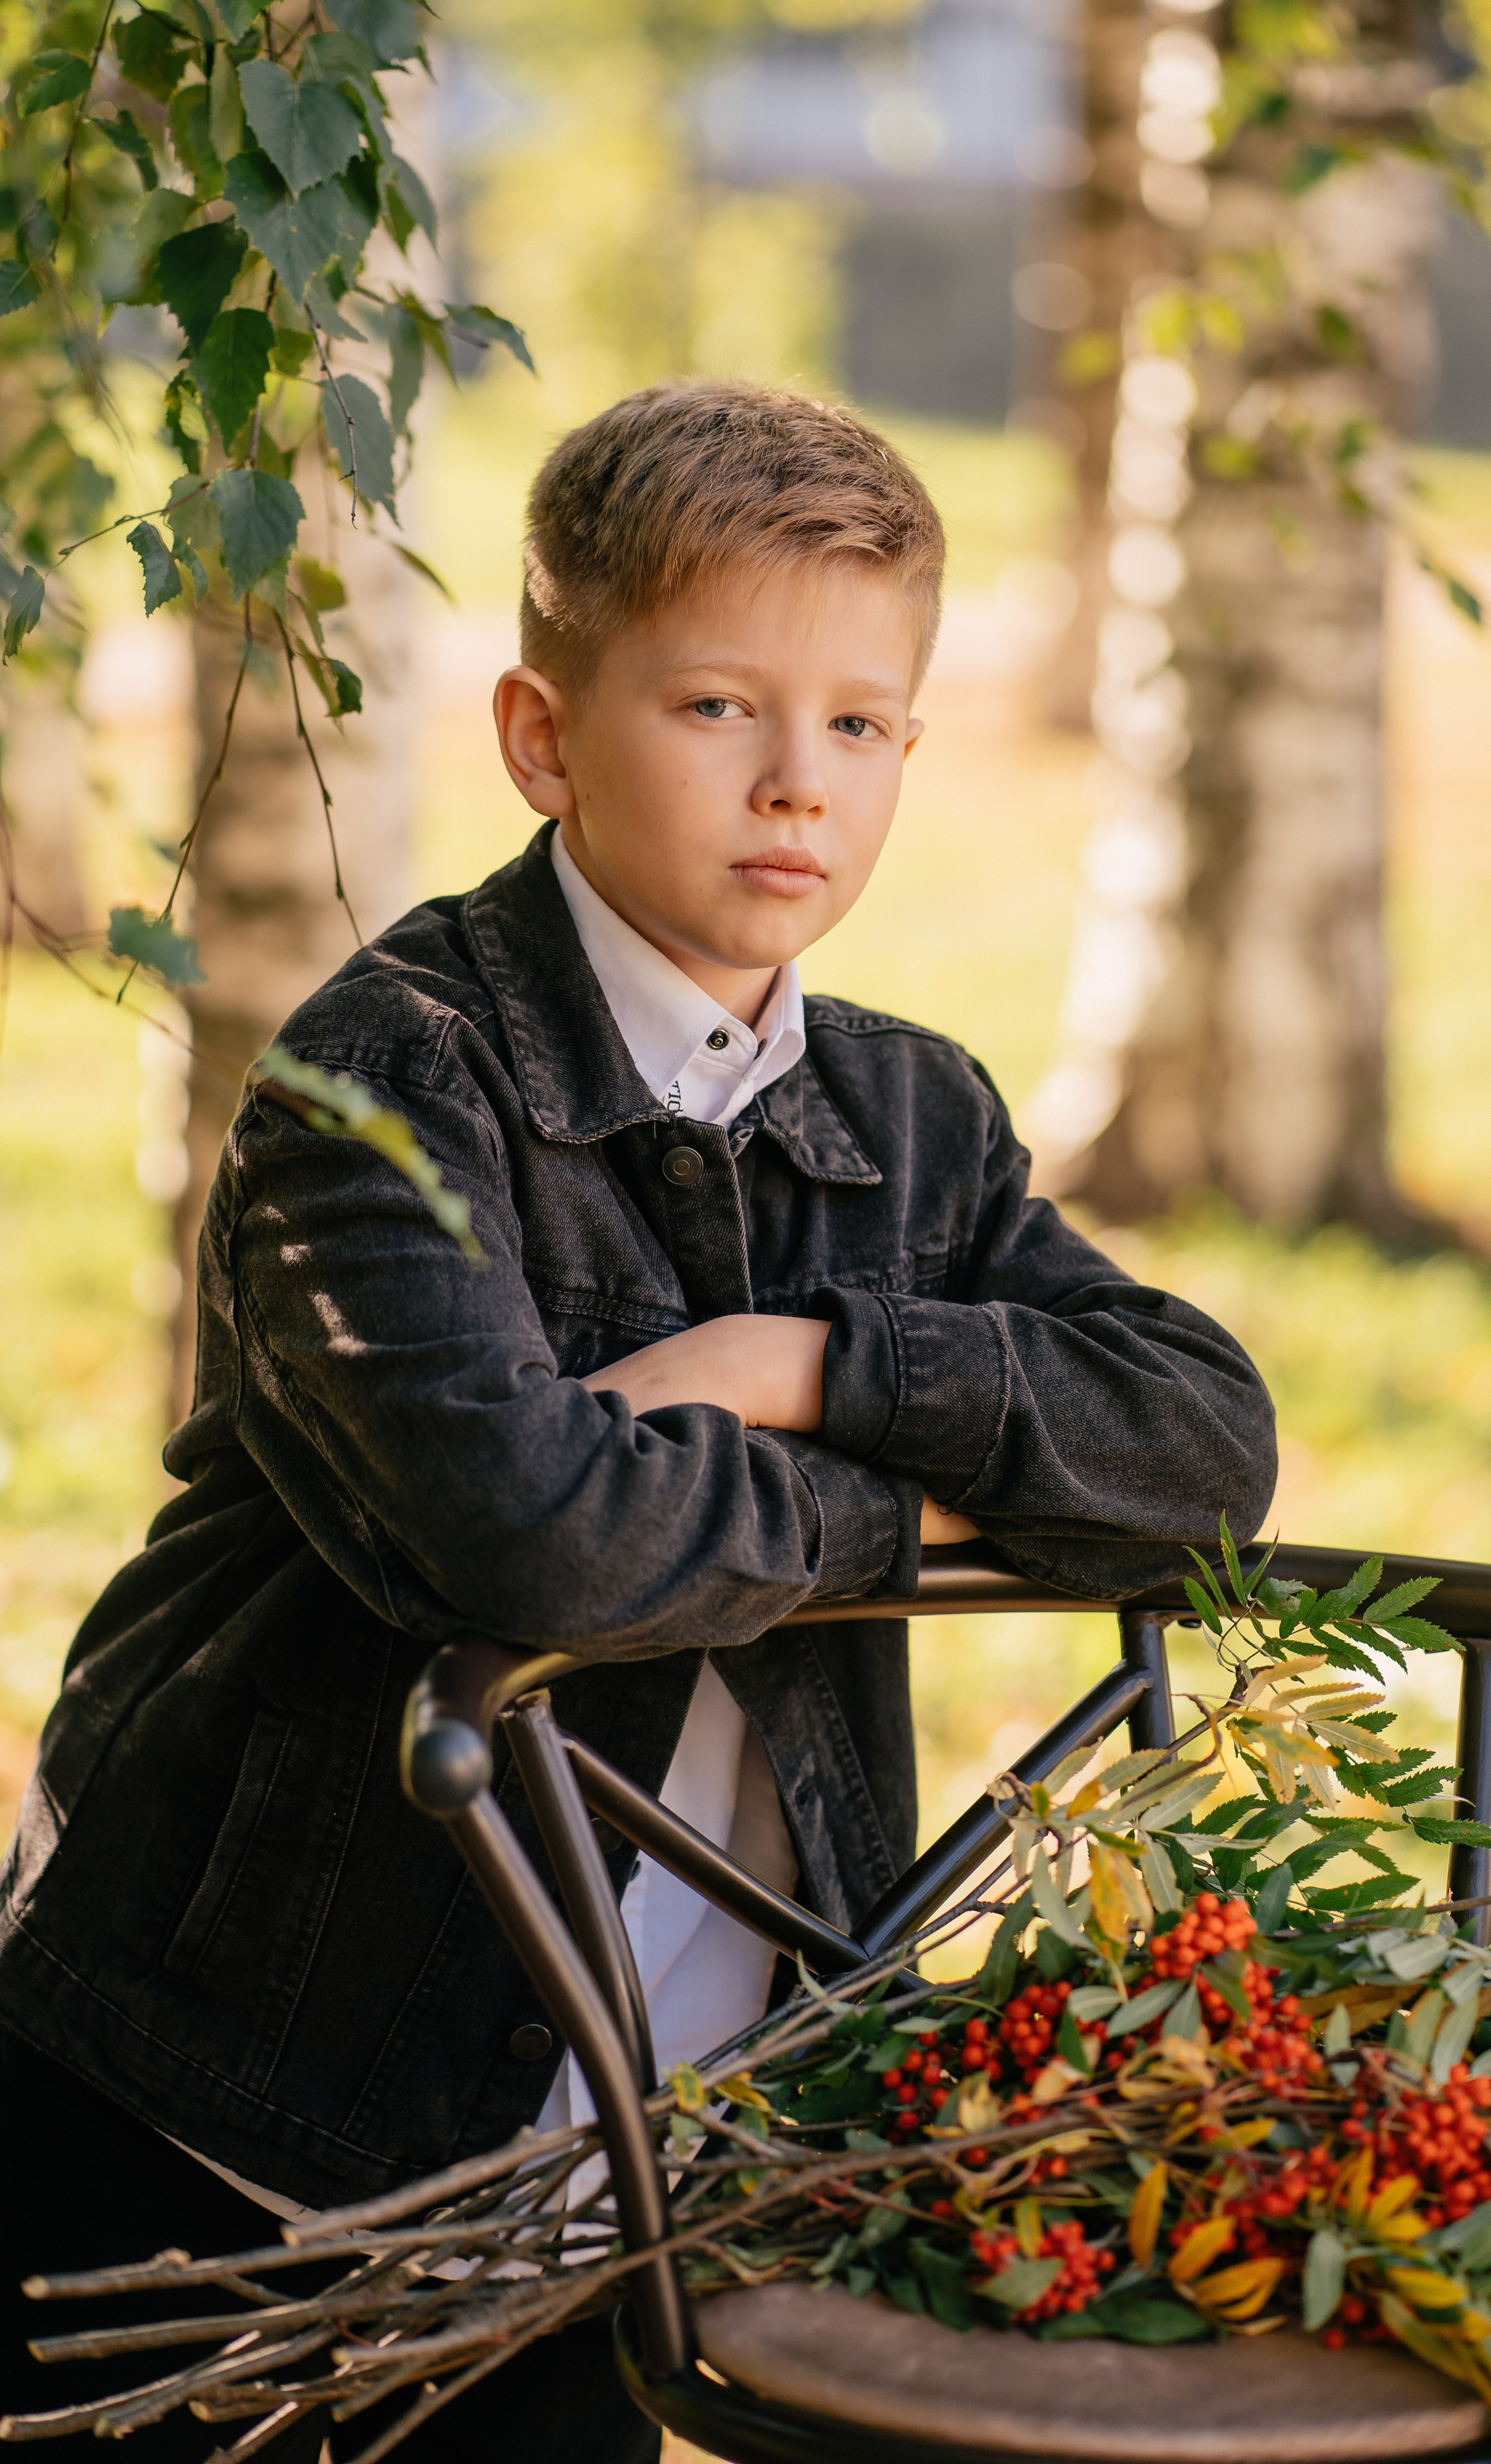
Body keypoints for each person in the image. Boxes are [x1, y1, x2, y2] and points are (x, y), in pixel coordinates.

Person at [0, 381, 1277, 2459]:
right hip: (224, 2109)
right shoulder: (393, 1082)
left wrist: (812, 1371)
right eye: (716, 710)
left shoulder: (912, 1113)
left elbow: (1202, 1445)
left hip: (629, 2154)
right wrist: (917, 1517)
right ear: (540, 736)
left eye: (860, 726)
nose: (799, 787)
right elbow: (535, 1542)